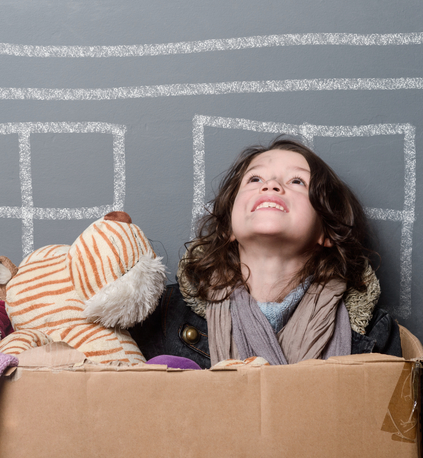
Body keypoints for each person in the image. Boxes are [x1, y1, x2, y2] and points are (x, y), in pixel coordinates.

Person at [130, 137, 397, 368]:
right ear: (228, 228)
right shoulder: (164, 314)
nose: (271, 185)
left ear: (326, 231)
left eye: (297, 181)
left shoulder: (374, 331)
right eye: (255, 178)